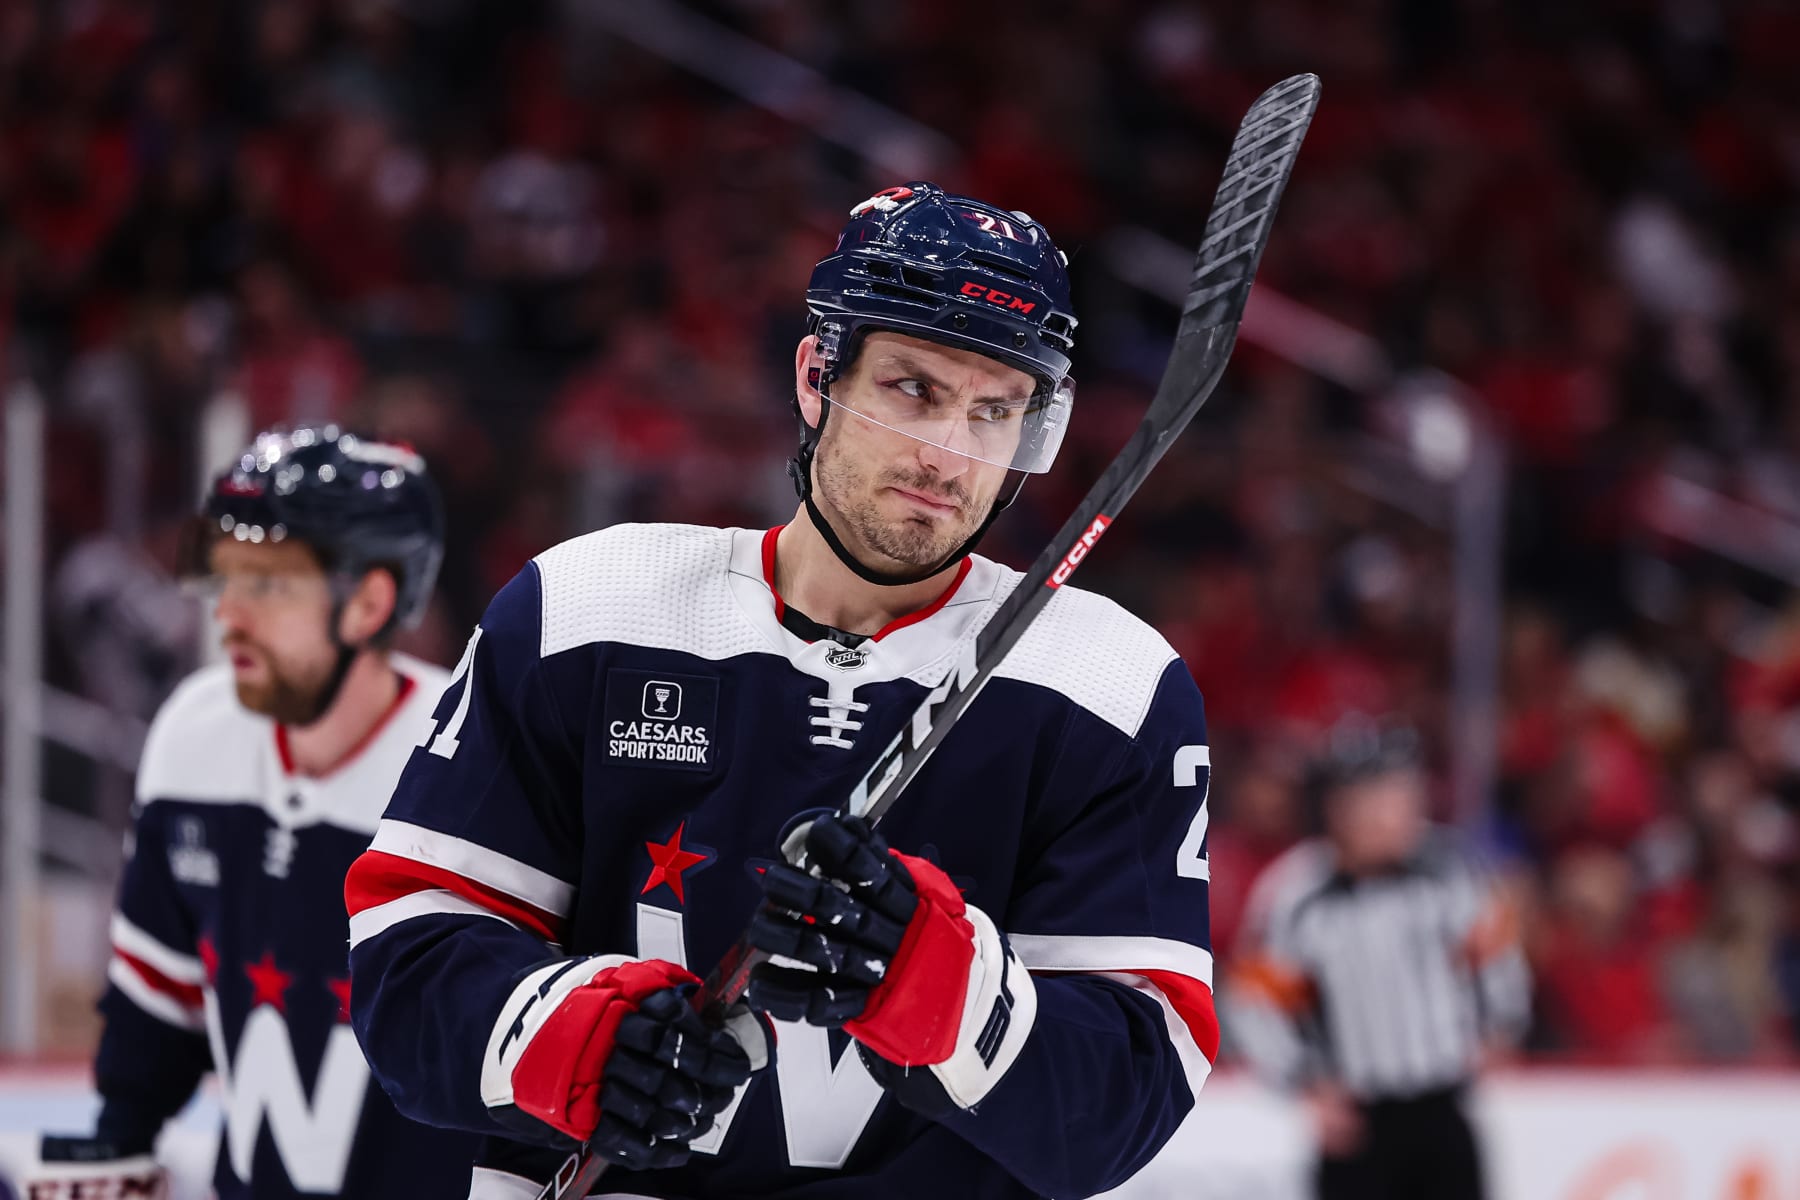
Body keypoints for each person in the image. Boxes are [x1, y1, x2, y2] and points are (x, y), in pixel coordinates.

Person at [345, 182, 1218, 1199]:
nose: (949, 456)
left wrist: (936, 985)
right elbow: (408, 969)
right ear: (817, 377)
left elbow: (1124, 1101)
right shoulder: (585, 610)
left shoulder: (1110, 685)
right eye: (912, 390)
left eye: (995, 410)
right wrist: (574, 1039)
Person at [23, 427, 480, 1198]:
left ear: (369, 602)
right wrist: (119, 1139)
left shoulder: (470, 764)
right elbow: (156, 998)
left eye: (267, 583)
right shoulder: (195, 733)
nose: (227, 612)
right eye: (225, 576)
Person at [1227, 720, 1530, 1200]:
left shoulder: (1449, 869)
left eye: (1407, 796)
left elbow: (1495, 956)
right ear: (1341, 809)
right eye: (1384, 799)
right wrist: (1304, 1083)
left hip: (1442, 1109)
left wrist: (1501, 1026)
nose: (1402, 813)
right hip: (1358, 1123)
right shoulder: (1298, 893)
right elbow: (1254, 1002)